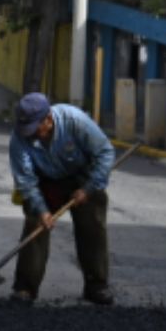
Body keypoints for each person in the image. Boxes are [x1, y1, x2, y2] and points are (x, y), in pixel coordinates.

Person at [9, 92, 116, 305]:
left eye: (35, 128)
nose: (31, 135)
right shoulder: (19, 138)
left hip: (82, 177)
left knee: (93, 223)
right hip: (45, 181)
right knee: (35, 223)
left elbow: (105, 153)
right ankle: (25, 288)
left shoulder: (75, 121)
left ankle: (96, 285)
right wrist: (42, 210)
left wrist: (88, 189)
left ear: (48, 118)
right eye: (26, 130)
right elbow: (26, 181)